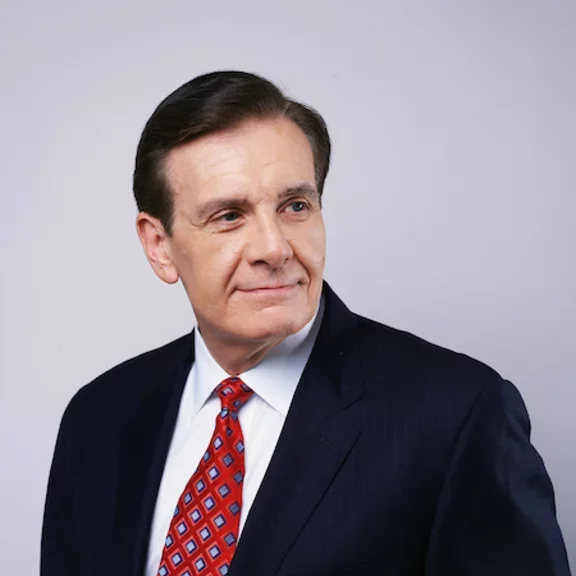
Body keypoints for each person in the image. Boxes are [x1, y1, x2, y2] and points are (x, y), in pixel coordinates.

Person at [41, 71, 571, 576]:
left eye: (295, 206)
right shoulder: (99, 418)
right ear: (159, 245)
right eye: (229, 216)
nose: (274, 248)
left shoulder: (456, 415)